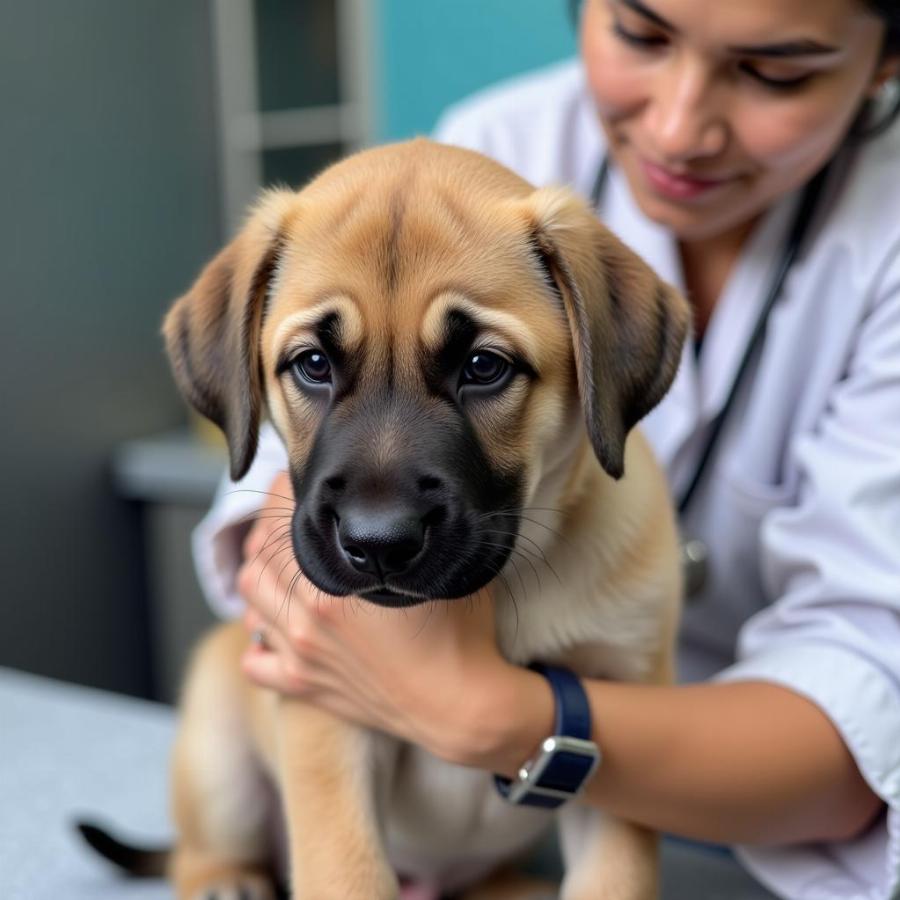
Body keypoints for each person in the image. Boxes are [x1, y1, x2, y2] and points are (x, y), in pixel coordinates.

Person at [192, 1, 900, 897]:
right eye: (641, 35)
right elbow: (263, 534)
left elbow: (867, 708)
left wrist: (492, 711)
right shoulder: (483, 146)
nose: (681, 126)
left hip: (747, 817)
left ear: (885, 64)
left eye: (778, 69)